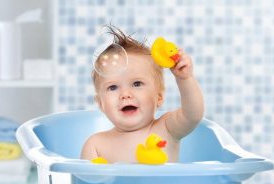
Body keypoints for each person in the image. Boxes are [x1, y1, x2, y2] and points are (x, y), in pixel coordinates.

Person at [81, 26, 204, 163]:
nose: (125, 94)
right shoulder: (95, 145)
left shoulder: (167, 128)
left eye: (137, 84)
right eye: (113, 87)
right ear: (100, 104)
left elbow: (193, 115)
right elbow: (85, 182)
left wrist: (185, 79)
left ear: (159, 97)